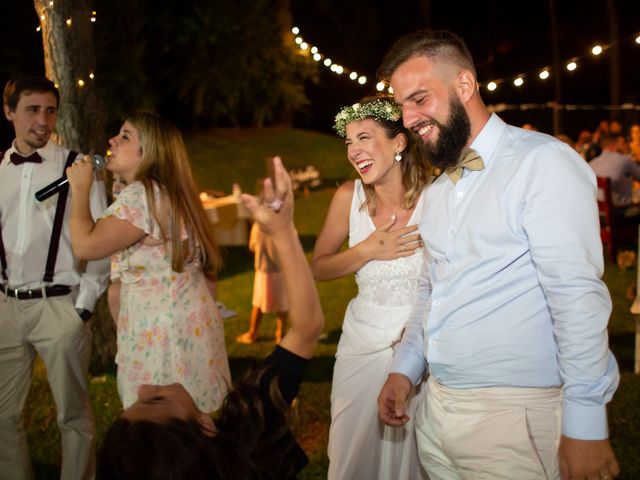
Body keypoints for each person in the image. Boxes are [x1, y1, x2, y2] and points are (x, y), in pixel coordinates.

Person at [375, 30, 620, 480]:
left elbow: (576, 298)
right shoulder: (436, 190)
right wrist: (405, 370)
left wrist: (586, 422)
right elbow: (431, 291)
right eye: (402, 106)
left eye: (419, 99)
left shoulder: (541, 163)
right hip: (436, 412)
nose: (408, 119)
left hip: (516, 418)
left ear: (465, 86)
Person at [96, 156, 325, 479]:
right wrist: (283, 231)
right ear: (204, 426)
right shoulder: (250, 433)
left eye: (133, 403)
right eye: (156, 399)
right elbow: (306, 329)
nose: (145, 386)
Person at [66, 111, 230, 413]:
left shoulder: (142, 195)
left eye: (125, 136)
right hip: (188, 331)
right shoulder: (168, 193)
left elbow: (86, 246)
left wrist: (79, 190)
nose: (112, 140)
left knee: (162, 431)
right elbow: (206, 273)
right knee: (193, 429)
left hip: (162, 340)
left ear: (150, 152)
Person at [312, 95, 430, 479]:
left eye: (364, 138)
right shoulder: (349, 198)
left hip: (422, 350)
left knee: (418, 460)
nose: (354, 151)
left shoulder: (437, 197)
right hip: (360, 347)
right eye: (348, 142)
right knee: (351, 458)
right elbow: (319, 267)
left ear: (399, 142)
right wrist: (367, 249)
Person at [0, 74, 110, 479]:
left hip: (60, 306)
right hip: (6, 308)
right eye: (32, 110)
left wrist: (82, 309)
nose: (43, 120)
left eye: (49, 110)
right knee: (1, 414)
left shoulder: (77, 167)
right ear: (9, 111)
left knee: (73, 418)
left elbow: (98, 242)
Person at [236, 221, 288, 344]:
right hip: (280, 269)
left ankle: (253, 333)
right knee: (282, 303)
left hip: (263, 270)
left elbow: (252, 246)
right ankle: (280, 335)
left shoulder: (257, 226)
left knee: (258, 302)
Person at [590, 132, 640, 215]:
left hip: (597, 215)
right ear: (615, 145)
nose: (627, 146)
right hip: (618, 213)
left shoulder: (592, 164)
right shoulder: (624, 160)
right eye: (623, 144)